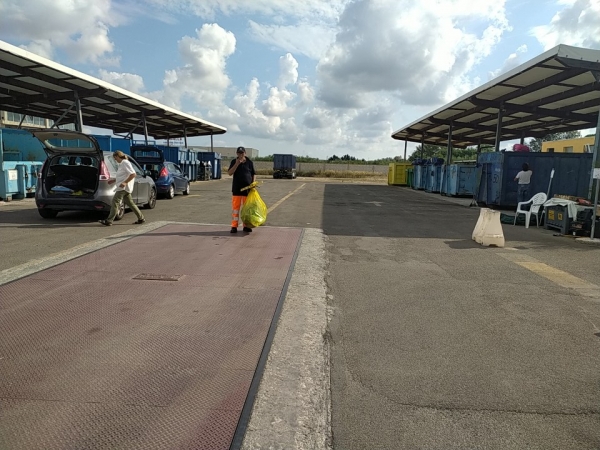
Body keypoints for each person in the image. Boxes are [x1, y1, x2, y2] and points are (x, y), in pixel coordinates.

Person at [99, 151, 146, 226]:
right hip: (124, 188)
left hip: (123, 188)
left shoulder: (125, 163)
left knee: (115, 202)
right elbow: (123, 175)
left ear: (118, 156)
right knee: (130, 204)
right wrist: (114, 180)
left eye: (115, 158)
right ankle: (141, 218)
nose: (115, 160)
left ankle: (109, 220)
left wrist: (125, 182)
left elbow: (133, 174)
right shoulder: (122, 164)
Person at [227, 146, 256, 233]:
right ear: (237, 154)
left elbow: (253, 174)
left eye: (242, 153)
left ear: (245, 153)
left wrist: (253, 183)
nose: (240, 155)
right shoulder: (233, 162)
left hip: (247, 190)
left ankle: (246, 226)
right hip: (237, 190)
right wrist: (237, 163)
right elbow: (229, 173)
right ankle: (234, 226)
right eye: (239, 153)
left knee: (246, 209)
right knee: (235, 209)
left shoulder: (249, 162)